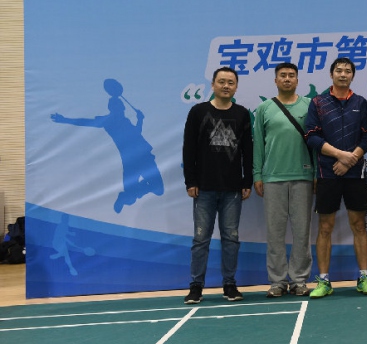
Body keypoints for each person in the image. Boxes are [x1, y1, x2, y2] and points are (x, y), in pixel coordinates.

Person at [304, 57, 367, 298]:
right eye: (339, 70)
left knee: (359, 225)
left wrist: (351, 159)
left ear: (352, 75)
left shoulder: (360, 102)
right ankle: (324, 281)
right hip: (328, 172)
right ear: (331, 74)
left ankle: (364, 278)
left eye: (347, 71)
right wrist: (340, 155)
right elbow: (311, 136)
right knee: (325, 227)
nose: (343, 74)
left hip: (355, 173)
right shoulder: (318, 102)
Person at [182, 67, 253, 304]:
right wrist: (190, 181)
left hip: (232, 189)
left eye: (230, 82)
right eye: (221, 81)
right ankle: (196, 286)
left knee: (231, 238)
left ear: (236, 87)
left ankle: (229, 284)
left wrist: (247, 180)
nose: (226, 86)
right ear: (213, 85)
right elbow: (188, 148)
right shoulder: (198, 111)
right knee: (200, 239)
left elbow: (248, 151)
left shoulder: (242, 114)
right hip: (203, 187)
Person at [50, 78, 164, 213]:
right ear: (113, 108)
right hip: (133, 159)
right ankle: (126, 196)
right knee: (135, 196)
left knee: (155, 190)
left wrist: (140, 120)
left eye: (122, 108)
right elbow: (85, 122)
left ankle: (127, 195)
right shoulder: (109, 121)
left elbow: (137, 133)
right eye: (119, 107)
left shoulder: (125, 121)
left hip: (143, 155)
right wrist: (64, 119)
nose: (122, 109)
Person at [252, 62, 314, 298]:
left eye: (291, 75)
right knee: (275, 233)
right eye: (283, 75)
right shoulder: (265, 108)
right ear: (275, 80)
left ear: (297, 80)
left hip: (303, 176)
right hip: (273, 177)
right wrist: (257, 175)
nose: (287, 79)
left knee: (302, 232)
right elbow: (258, 144)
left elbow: (316, 143)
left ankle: (299, 280)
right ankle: (277, 281)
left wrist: (316, 174)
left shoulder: (309, 105)